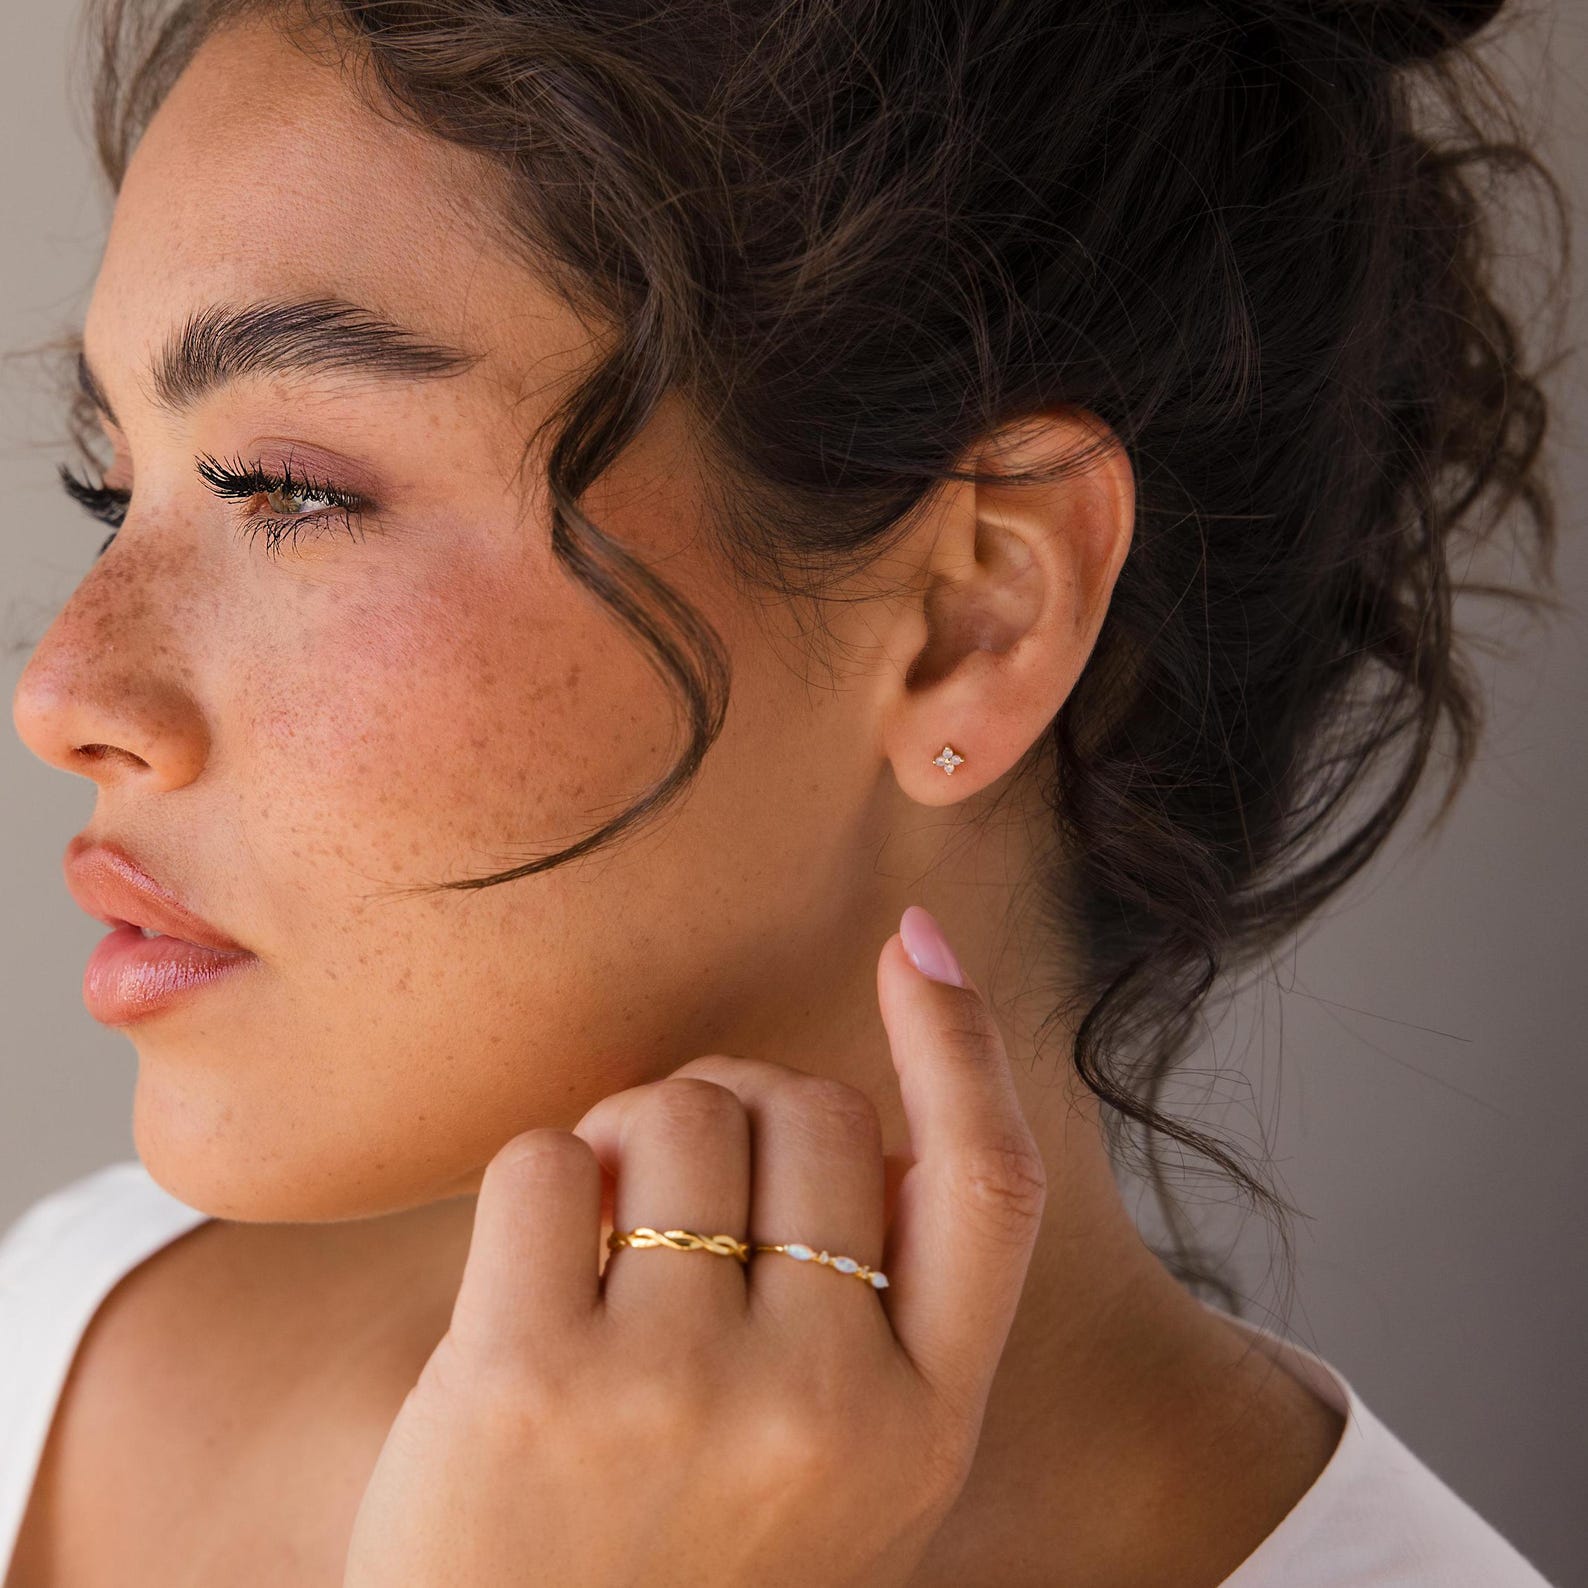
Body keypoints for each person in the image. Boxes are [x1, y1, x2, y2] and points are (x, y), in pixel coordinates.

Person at [0, 0, 1566, 1583]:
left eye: (292, 493)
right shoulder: (71, 1330)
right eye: (109, 485)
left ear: (974, 616)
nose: (62, 694)